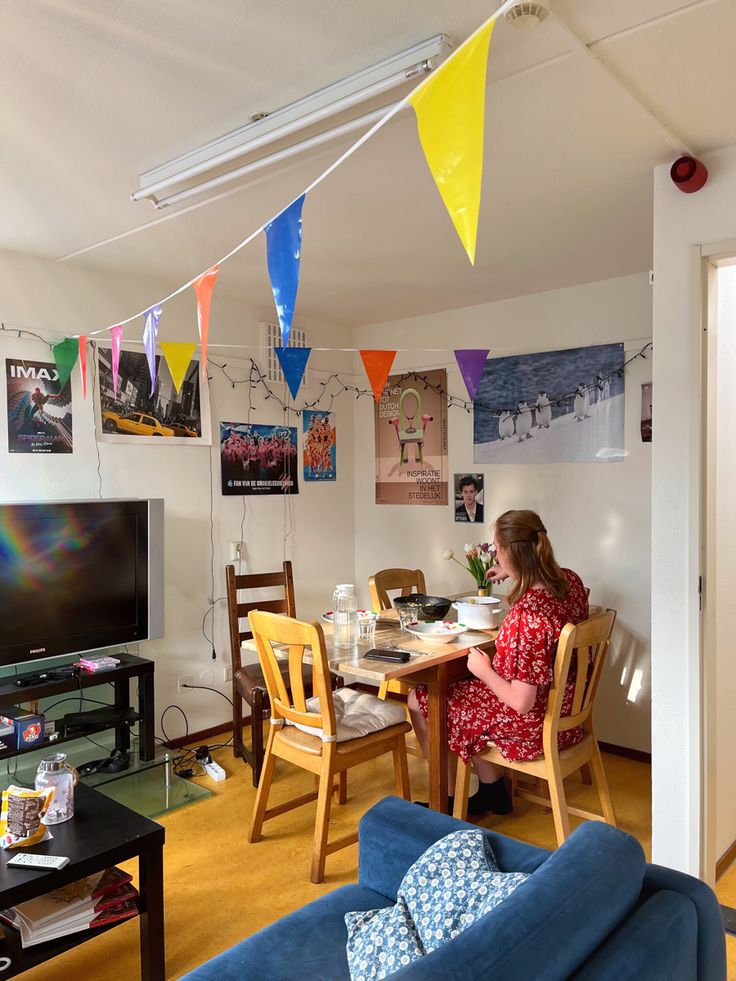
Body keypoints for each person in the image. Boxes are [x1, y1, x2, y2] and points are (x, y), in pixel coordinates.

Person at [408, 509, 589, 814]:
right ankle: (493, 791)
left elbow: (521, 702)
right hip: (568, 710)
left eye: (497, 549)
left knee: (421, 698)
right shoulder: (569, 580)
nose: (495, 555)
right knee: (465, 688)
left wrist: (485, 670)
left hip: (535, 723)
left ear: (510, 553)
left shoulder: (527, 616)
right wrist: (514, 573)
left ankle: (448, 801)